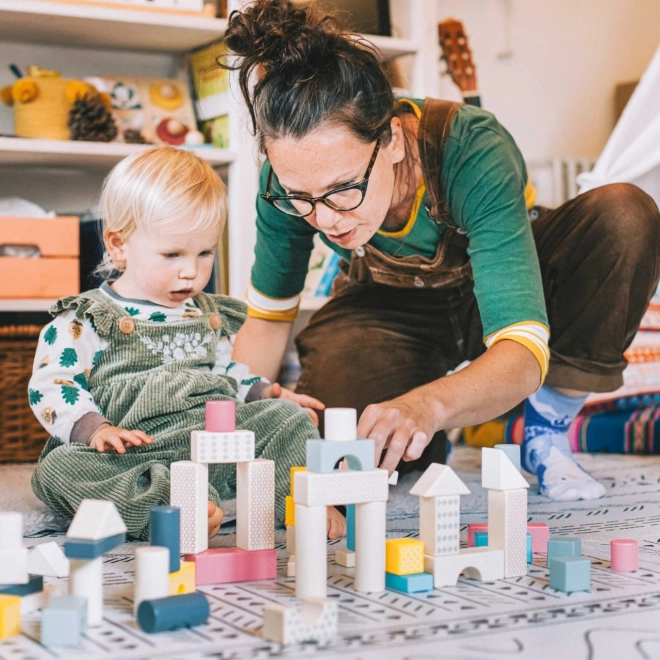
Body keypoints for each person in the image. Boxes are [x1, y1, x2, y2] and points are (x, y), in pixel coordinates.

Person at [224, 0, 660, 501]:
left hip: (496, 291)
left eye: (343, 189)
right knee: (350, 447)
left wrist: (427, 406)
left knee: (625, 213)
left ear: (389, 138)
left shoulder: (472, 146)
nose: (323, 218)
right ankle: (437, 439)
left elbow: (520, 351)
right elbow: (267, 320)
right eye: (300, 198)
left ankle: (546, 430)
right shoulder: (283, 185)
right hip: (388, 309)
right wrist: (239, 421)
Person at [28, 146, 345, 540]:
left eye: (205, 253)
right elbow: (52, 383)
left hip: (210, 440)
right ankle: (163, 510)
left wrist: (265, 392)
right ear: (119, 245)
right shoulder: (85, 317)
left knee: (289, 420)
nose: (191, 272)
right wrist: (95, 429)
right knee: (58, 470)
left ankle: (302, 500)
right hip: (131, 452)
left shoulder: (205, 313)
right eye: (172, 254)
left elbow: (224, 371)